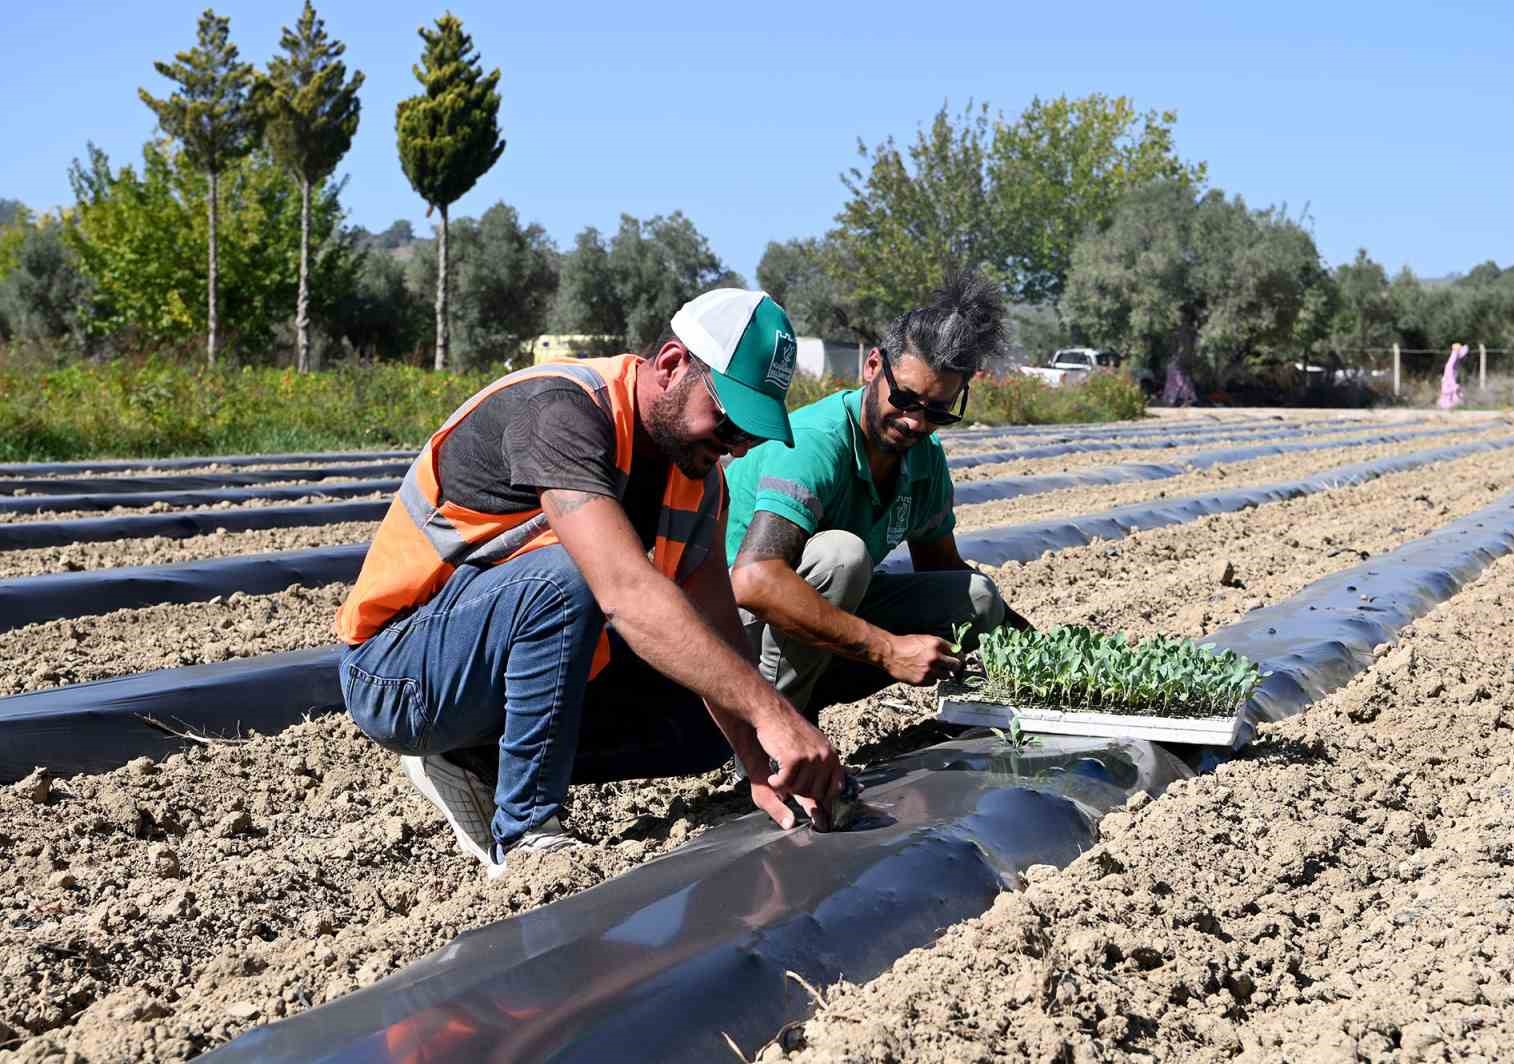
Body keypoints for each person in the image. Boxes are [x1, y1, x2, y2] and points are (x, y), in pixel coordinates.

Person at [334, 289, 846, 880]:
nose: (734, 445)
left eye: (748, 433)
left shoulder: (699, 477)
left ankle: (472, 760)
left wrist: (760, 755)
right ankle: (527, 834)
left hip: (493, 664)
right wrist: (775, 713)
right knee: (569, 577)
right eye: (728, 418)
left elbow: (715, 626)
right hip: (401, 672)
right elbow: (625, 593)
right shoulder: (562, 409)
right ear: (674, 364)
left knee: (709, 722)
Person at [724, 271, 1031, 724]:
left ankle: (972, 721)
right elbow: (754, 581)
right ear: (873, 368)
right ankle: (774, 733)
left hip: (814, 621)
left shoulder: (924, 457)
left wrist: (1046, 649)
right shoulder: (815, 442)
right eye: (905, 398)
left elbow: (942, 567)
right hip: (731, 623)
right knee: (842, 558)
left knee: (979, 597)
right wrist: (887, 650)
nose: (915, 422)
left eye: (937, 410)